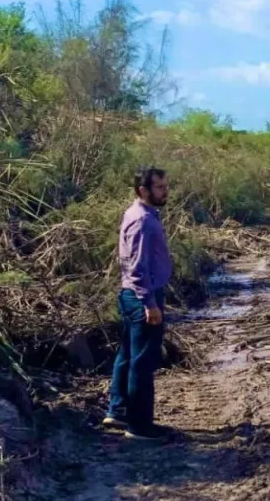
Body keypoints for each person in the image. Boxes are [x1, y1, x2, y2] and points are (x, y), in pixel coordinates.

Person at [103, 167, 172, 440]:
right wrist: (149, 303)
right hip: (142, 297)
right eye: (159, 187)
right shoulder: (142, 220)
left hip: (133, 296)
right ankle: (140, 426)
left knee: (128, 355)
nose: (165, 191)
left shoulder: (139, 215)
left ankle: (118, 412)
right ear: (143, 191)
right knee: (142, 362)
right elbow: (136, 267)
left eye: (166, 186)